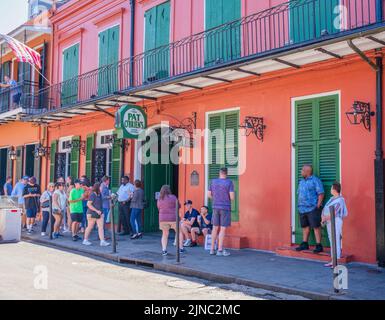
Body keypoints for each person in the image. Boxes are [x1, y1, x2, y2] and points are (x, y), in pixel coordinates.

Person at [296, 164, 325, 254]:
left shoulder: (315, 181)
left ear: (307, 171)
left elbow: (321, 193)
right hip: (302, 208)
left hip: (312, 208)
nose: (301, 172)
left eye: (302, 170)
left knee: (316, 227)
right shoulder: (301, 181)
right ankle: (305, 243)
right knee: (305, 227)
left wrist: (318, 205)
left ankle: (319, 245)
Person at [208, 168, 235, 257]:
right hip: (225, 208)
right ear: (226, 174)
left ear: (219, 173)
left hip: (215, 207)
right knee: (222, 229)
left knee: (214, 228)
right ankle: (219, 249)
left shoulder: (213, 181)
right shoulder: (229, 182)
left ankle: (212, 249)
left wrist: (216, 199)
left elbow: (209, 195)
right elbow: (232, 197)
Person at [321, 182, 348, 267]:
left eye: (331, 188)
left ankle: (335, 261)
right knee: (331, 239)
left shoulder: (340, 200)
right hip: (329, 221)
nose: (330, 190)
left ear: (335, 189)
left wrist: (325, 218)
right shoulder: (331, 198)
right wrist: (323, 217)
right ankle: (333, 261)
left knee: (335, 239)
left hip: (336, 221)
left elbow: (335, 212)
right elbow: (325, 208)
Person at [157, 185, 181, 256]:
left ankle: (164, 250)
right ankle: (180, 248)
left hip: (163, 218)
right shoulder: (173, 197)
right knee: (179, 232)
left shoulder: (160, 198)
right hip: (173, 218)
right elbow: (178, 206)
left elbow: (158, 207)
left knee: (164, 234)